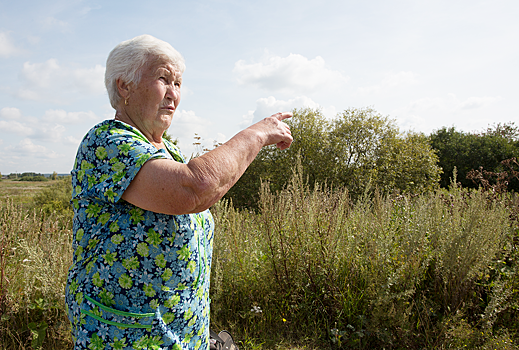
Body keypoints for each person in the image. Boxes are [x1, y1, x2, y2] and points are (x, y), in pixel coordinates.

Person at [65, 34, 292, 350]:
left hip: (181, 334)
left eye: (179, 84)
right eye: (163, 79)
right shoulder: (107, 143)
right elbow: (194, 188)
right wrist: (257, 133)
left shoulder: (165, 149)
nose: (173, 94)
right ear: (124, 87)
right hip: (127, 338)